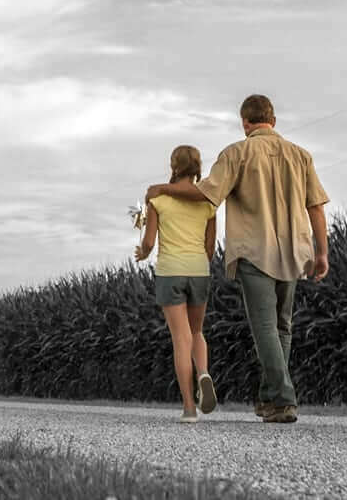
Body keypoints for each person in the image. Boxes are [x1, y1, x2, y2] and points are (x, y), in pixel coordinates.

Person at [145, 94, 329, 424]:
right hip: (294, 250)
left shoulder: (236, 153)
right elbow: (315, 206)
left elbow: (205, 192)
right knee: (282, 325)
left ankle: (284, 399)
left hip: (254, 251)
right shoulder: (302, 156)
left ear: (245, 122)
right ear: (272, 120)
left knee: (265, 328)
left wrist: (162, 188)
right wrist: (322, 251)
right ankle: (271, 399)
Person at [134, 145, 220, 424]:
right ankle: (204, 373)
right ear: (197, 167)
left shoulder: (158, 200)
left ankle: (189, 409)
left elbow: (148, 242)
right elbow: (210, 249)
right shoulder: (208, 204)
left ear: (173, 166)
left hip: (171, 271)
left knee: (180, 339)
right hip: (199, 270)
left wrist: (143, 253)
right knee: (196, 332)